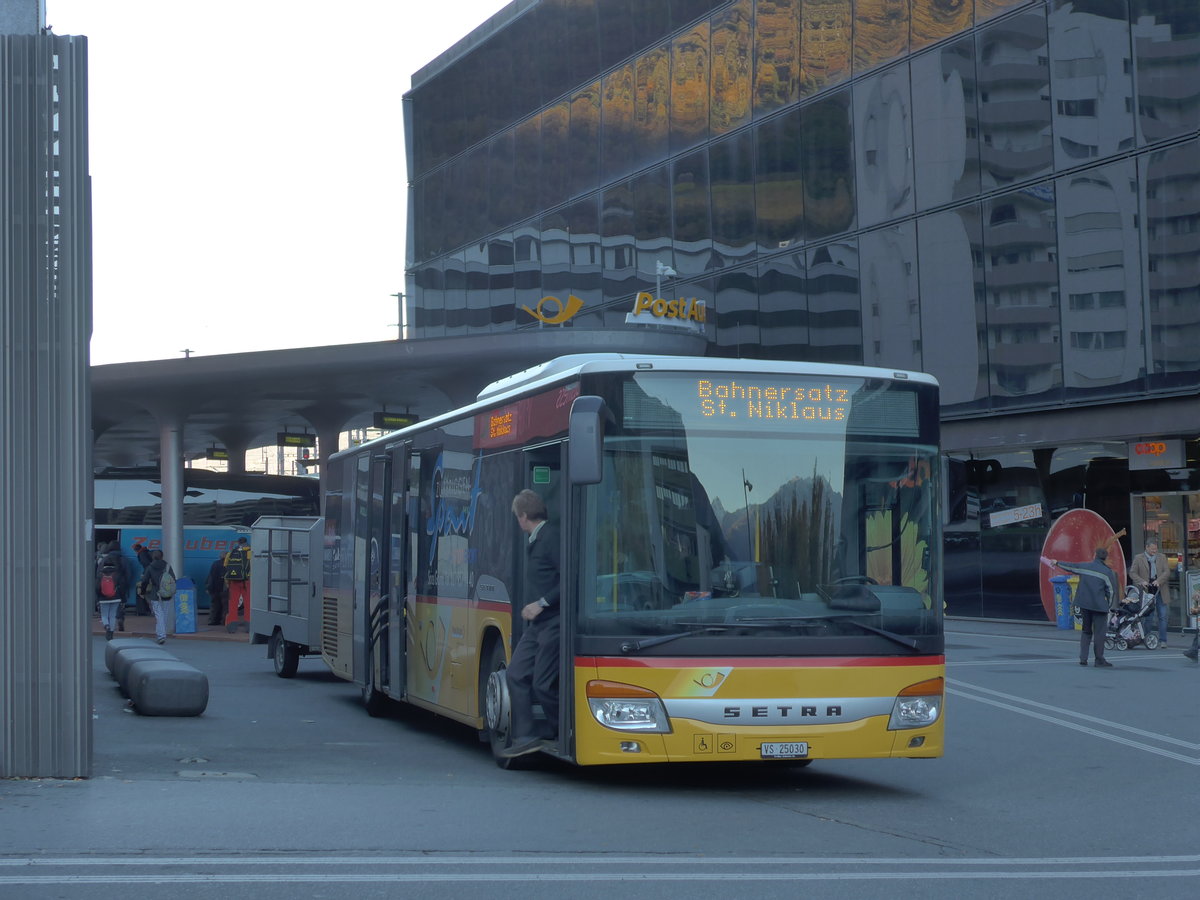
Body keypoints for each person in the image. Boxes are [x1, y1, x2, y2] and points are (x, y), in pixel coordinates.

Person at [501, 489, 561, 758]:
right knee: (515, 673)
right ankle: (525, 736)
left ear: (524, 516)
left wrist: (541, 603)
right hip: (538, 626)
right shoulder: (537, 539)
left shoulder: (551, 537)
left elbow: (570, 578)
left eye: (517, 517)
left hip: (554, 623)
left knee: (542, 684)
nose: (518, 522)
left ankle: (561, 730)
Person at [1049, 549, 1118, 667]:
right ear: (1105, 558)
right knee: (1099, 633)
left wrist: (1056, 562)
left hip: (1084, 605)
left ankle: (1083, 658)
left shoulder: (1085, 567)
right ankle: (1099, 660)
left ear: (1094, 555)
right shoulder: (1108, 572)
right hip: (1099, 607)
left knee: (1086, 631)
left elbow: (1070, 567)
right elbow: (1111, 591)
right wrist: (1109, 605)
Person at [1129, 540, 1171, 648]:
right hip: (1147, 590)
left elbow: (1167, 572)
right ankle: (1147, 639)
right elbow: (1132, 572)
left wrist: (1159, 581)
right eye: (1152, 549)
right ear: (1146, 548)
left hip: (1160, 589)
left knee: (1162, 616)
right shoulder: (1138, 558)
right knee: (1148, 616)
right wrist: (1141, 581)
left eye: (1156, 549)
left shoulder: (1162, 557)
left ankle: (1163, 640)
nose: (1154, 551)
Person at [137, 549, 175, 644]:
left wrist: (142, 591)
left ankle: (161, 635)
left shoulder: (150, 567)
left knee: (159, 615)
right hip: (167, 595)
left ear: (153, 557)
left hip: (155, 594)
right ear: (162, 556)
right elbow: (173, 579)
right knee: (164, 614)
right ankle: (161, 634)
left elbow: (145, 581)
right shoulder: (167, 566)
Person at [94, 543, 127, 641]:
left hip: (103, 598)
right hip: (116, 597)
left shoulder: (100, 574)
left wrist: (98, 597)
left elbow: (97, 587)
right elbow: (122, 587)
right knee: (112, 615)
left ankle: (106, 626)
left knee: (104, 615)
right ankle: (111, 633)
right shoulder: (117, 574)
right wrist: (122, 598)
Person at [223, 536, 252, 628]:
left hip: (233, 581)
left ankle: (231, 624)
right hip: (247, 581)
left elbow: (225, 565)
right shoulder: (250, 551)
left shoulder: (232, 552)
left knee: (233, 603)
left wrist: (227, 581)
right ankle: (248, 623)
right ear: (246, 542)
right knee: (248, 603)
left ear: (238, 542)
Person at [205, 553, 228, 626]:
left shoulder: (215, 564)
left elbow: (211, 577)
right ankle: (225, 621)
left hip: (215, 589)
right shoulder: (230, 564)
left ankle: (213, 621)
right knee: (225, 607)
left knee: (215, 606)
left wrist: (209, 588)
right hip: (225, 589)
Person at [132, 542, 154, 616]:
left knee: (142, 591)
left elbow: (147, 565)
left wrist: (144, 574)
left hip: (149, 576)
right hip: (151, 575)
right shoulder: (145, 552)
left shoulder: (142, 554)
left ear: (136, 550)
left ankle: (147, 610)